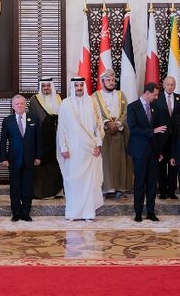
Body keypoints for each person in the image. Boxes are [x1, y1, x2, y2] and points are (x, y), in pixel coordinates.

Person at [56, 77, 104, 221]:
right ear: (72, 86)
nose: (79, 88)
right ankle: (73, 213)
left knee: (89, 183)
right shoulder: (65, 103)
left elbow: (99, 125)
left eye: (81, 85)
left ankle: (88, 213)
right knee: (73, 182)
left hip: (89, 150)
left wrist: (99, 144)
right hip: (72, 150)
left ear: (84, 86)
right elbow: (62, 127)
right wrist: (63, 147)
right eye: (76, 85)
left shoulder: (92, 102)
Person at [126, 82, 166, 222]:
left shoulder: (155, 107)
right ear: (147, 93)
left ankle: (150, 211)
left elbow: (159, 130)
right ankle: (138, 212)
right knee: (139, 182)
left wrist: (160, 151)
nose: (156, 97)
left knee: (152, 183)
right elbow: (133, 128)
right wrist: (151, 131)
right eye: (154, 94)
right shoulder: (132, 107)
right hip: (139, 151)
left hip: (153, 152)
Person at [91, 69, 132, 199]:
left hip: (119, 133)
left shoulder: (121, 95)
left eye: (113, 80)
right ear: (102, 81)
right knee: (105, 162)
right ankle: (104, 189)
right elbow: (94, 113)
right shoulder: (95, 96)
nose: (111, 82)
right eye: (108, 80)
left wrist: (118, 124)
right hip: (103, 134)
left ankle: (119, 189)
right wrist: (107, 123)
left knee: (119, 161)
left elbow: (126, 112)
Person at [0, 94, 40, 221]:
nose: (20, 106)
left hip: (29, 159)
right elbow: (2, 141)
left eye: (22, 103)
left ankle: (26, 212)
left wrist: (38, 156)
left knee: (28, 187)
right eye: (17, 104)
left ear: (25, 105)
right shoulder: (8, 121)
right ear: (13, 106)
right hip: (13, 160)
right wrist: (4, 158)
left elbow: (38, 139)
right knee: (15, 187)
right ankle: (16, 213)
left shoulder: (33, 119)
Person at [28, 77, 62, 199]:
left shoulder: (58, 98)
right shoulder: (34, 100)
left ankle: (56, 191)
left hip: (57, 135)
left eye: (48, 86)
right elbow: (35, 118)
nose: (46, 88)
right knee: (41, 163)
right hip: (41, 136)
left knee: (56, 162)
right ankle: (42, 192)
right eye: (44, 86)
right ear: (41, 87)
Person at [152, 75, 180, 199]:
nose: (170, 87)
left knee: (173, 164)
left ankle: (172, 190)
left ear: (175, 86)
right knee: (161, 165)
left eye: (172, 84)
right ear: (163, 85)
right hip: (160, 138)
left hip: (175, 138)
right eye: (168, 84)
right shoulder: (156, 99)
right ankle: (162, 190)